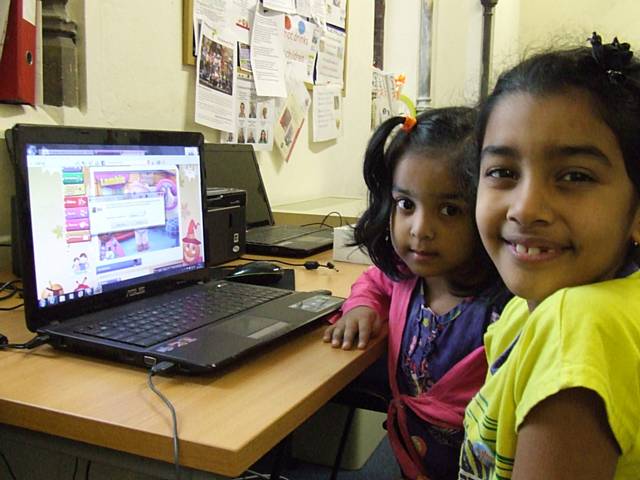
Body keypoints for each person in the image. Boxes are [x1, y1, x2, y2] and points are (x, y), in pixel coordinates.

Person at [459, 33, 640, 479]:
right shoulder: (528, 309)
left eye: (574, 176)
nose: (525, 208)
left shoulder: (578, 325)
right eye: (502, 172)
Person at [323, 107, 511, 480]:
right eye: (406, 205)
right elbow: (374, 282)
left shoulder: (505, 305)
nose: (420, 229)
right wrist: (361, 307)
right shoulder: (406, 275)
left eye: (449, 209)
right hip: (413, 458)